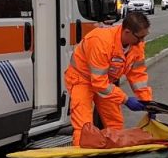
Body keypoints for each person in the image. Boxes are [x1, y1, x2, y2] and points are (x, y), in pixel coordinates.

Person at [63, 11, 153, 146]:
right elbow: (99, 83)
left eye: (144, 37)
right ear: (127, 32)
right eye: (140, 37)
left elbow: (137, 76)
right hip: (81, 79)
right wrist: (126, 100)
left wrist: (147, 102)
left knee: (115, 123)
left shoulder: (136, 46)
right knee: (84, 128)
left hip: (104, 83)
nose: (142, 41)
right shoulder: (101, 41)